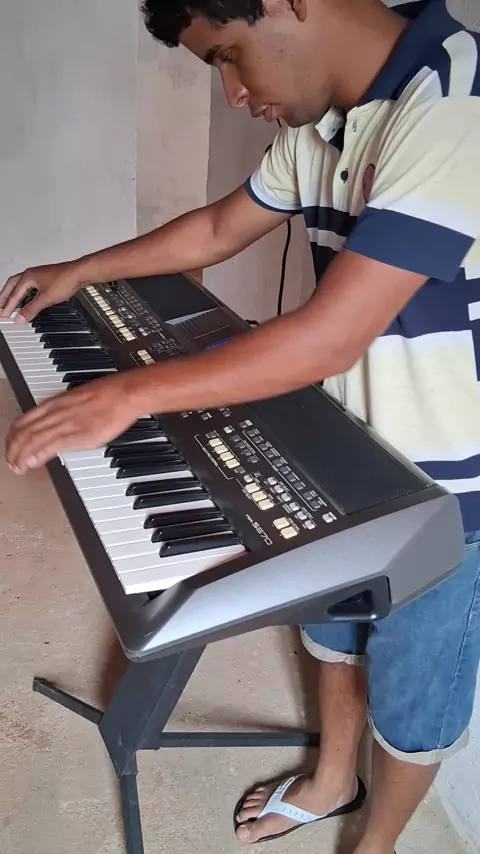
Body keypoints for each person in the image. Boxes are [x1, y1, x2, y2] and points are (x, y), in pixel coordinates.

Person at [1, 0, 480, 850]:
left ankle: (376, 844)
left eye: (229, 56)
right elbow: (222, 227)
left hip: (450, 491)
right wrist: (80, 270)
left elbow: (331, 337)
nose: (233, 93)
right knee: (331, 629)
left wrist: (130, 394)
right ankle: (332, 779)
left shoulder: (454, 98)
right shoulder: (325, 122)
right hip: (345, 445)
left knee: (416, 693)